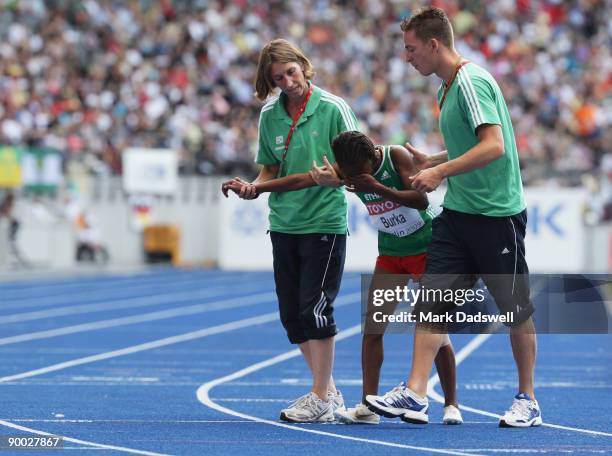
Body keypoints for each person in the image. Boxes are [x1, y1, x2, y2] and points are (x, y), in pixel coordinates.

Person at [365, 6, 541, 428]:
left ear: (434, 44)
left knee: (513, 309)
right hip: (458, 213)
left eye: (411, 50)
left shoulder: (470, 81)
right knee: (432, 301)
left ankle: (528, 398)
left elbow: (495, 144)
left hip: (496, 215)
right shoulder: (445, 88)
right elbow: (471, 143)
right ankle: (416, 392)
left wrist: (439, 171)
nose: (407, 58)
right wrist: (438, 156)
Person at [221, 38, 358, 423]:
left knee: (315, 308)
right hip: (284, 223)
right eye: (278, 78)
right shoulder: (270, 115)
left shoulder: (333, 109)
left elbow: (356, 164)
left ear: (304, 65)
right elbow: (269, 170)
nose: (288, 82)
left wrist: (335, 176)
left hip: (324, 222)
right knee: (292, 315)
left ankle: (319, 393)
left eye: (291, 72)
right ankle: (327, 391)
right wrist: (254, 187)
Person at [329, 131, 463, 425]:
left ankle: (451, 404)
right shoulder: (349, 166)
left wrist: (377, 187)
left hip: (426, 247)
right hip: (390, 252)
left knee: (433, 329)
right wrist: (325, 178)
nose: (355, 177)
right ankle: (368, 406)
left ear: (372, 156)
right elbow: (325, 176)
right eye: (349, 173)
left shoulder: (395, 157)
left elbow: (419, 199)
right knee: (373, 327)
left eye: (359, 172)